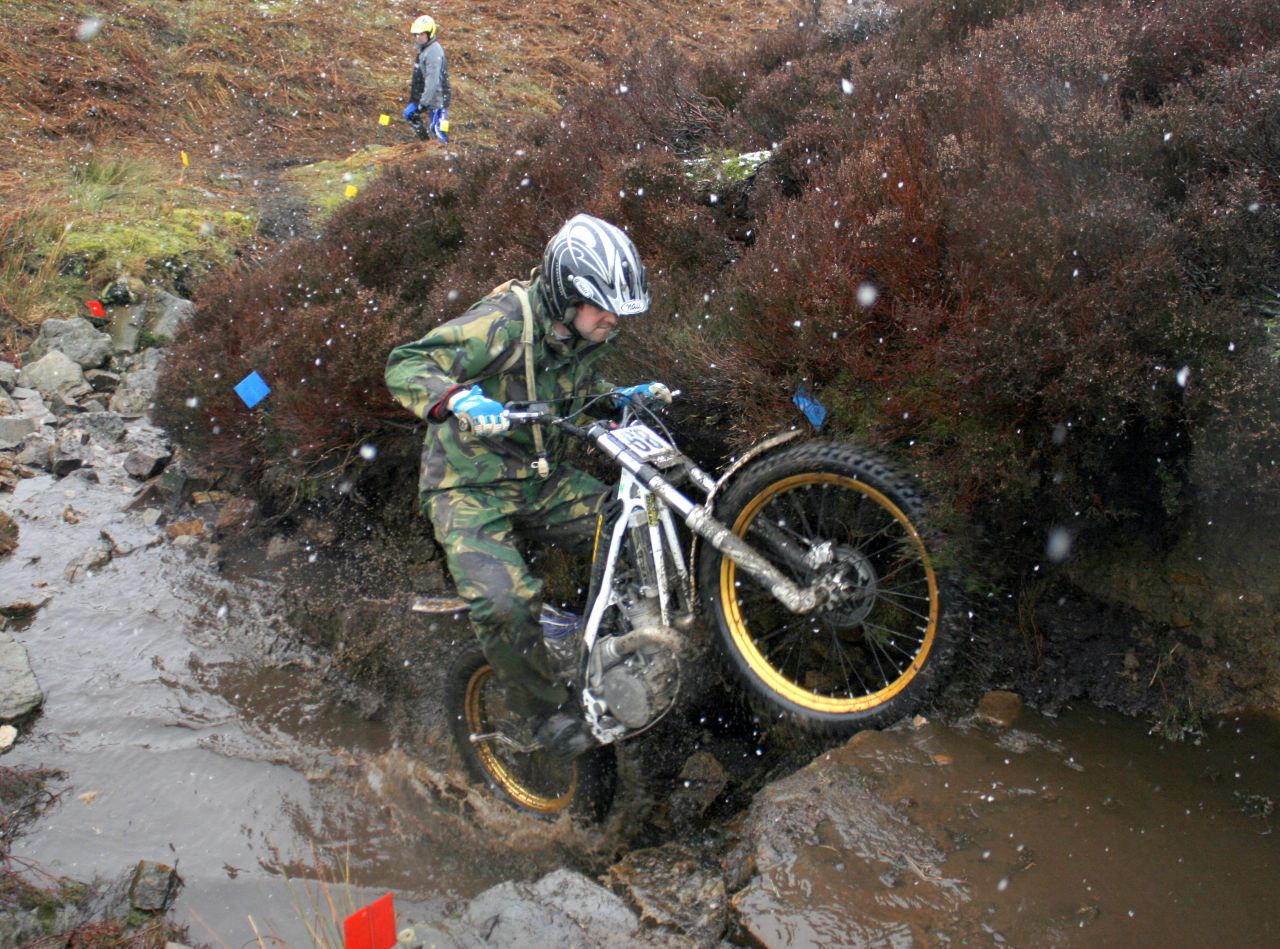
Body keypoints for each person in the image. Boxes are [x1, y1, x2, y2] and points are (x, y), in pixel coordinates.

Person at [385, 215, 671, 759]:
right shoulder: (501, 323)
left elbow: (567, 387)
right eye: (602, 307)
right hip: (467, 488)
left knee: (636, 527)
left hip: (542, 479)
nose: (612, 320)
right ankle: (545, 714)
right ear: (567, 295)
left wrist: (617, 398)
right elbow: (407, 363)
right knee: (504, 605)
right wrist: (458, 399)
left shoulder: (581, 332)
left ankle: (607, 644)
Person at [403, 14, 451, 142]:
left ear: (430, 34)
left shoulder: (433, 51)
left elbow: (432, 81)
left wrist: (423, 103)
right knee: (409, 114)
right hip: (424, 96)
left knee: (438, 130)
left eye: (422, 34)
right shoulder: (423, 49)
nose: (418, 37)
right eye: (416, 34)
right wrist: (417, 99)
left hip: (438, 98)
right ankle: (426, 143)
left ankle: (443, 151)